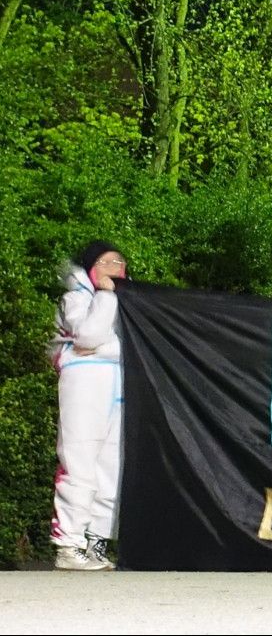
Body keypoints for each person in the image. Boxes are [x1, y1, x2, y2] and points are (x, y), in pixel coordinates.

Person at [51, 241, 128, 572]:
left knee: (110, 467)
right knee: (79, 461)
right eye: (107, 261)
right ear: (91, 267)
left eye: (120, 261)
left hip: (118, 387)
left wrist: (104, 348)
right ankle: (69, 543)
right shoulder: (77, 298)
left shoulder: (128, 304)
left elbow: (122, 347)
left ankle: (96, 540)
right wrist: (107, 296)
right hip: (83, 384)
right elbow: (89, 335)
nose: (116, 266)